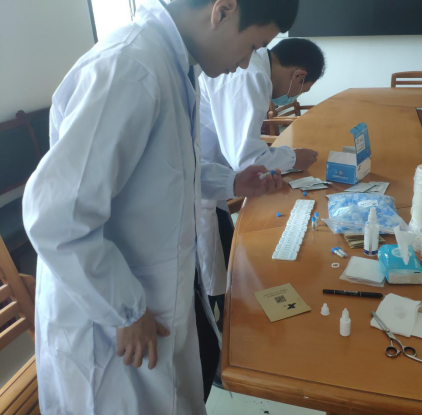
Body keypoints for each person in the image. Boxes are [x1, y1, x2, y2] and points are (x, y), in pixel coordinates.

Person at [22, 0, 299, 414]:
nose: (246, 63)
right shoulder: (131, 67)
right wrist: (125, 311)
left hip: (147, 301)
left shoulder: (174, 64)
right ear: (222, 11)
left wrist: (231, 181)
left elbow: (163, 170)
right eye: (254, 46)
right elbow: (56, 216)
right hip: (108, 319)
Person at [198, 38, 326, 320]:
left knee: (224, 258)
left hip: (212, 178)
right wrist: (292, 158)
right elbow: (247, 160)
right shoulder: (252, 74)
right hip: (203, 185)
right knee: (218, 274)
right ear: (298, 76)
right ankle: (226, 323)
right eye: (302, 91)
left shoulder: (254, 70)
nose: (294, 99)